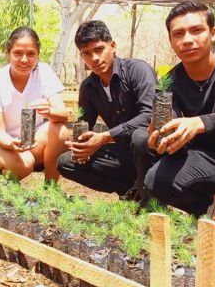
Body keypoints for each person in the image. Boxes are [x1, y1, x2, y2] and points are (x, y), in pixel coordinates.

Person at [133, 1, 215, 216]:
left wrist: (200, 122)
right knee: (155, 180)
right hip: (207, 158)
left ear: (213, 33)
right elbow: (171, 120)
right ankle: (201, 207)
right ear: (171, 41)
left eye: (196, 30)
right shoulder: (169, 81)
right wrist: (160, 133)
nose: (187, 40)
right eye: (178, 34)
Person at [57, 20, 157, 198]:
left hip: (152, 150)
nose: (94, 58)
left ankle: (150, 195)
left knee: (139, 137)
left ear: (113, 46)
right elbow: (85, 123)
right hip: (124, 153)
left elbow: (150, 115)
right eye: (86, 53)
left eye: (99, 49)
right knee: (66, 162)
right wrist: (81, 146)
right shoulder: (88, 87)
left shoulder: (137, 70)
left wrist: (105, 137)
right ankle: (131, 192)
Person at [0, 26, 68, 181]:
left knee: (60, 130)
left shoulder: (43, 72)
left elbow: (63, 115)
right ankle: (10, 189)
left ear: (38, 55)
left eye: (31, 54)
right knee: (24, 164)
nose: (24, 60)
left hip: (31, 143)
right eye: (18, 53)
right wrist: (10, 144)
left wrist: (49, 112)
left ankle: (51, 189)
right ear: (8, 54)